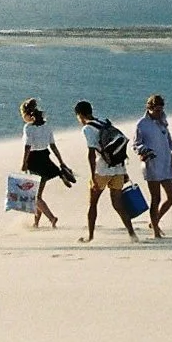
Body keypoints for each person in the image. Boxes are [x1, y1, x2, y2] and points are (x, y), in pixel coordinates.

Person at [74, 100, 138, 243]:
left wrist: (92, 177)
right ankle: (132, 234)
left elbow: (91, 153)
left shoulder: (87, 129)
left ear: (79, 115)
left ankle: (90, 237)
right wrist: (124, 171)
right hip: (118, 168)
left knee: (93, 204)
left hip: (102, 170)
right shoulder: (105, 122)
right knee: (118, 204)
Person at [133, 93, 172, 240]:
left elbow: (168, 141)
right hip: (151, 164)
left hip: (166, 163)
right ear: (149, 108)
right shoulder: (142, 124)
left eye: (161, 109)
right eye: (156, 110)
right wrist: (144, 150)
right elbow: (136, 144)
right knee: (155, 198)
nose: (159, 112)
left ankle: (154, 221)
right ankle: (155, 231)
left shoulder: (163, 121)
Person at [19, 98, 71, 228]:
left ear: (27, 114)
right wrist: (61, 162)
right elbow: (53, 146)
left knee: (35, 196)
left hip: (34, 161)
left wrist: (24, 163)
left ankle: (52, 218)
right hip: (45, 158)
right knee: (38, 195)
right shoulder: (46, 126)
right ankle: (36, 223)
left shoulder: (28, 128)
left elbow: (27, 147)